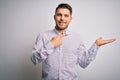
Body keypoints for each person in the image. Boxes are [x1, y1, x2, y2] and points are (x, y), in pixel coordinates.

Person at [31, 3, 116, 80]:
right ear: (54, 17)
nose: (62, 18)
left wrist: (96, 46)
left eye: (66, 15)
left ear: (70, 19)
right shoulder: (43, 35)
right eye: (59, 15)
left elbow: (83, 63)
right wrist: (51, 44)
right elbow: (34, 59)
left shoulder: (77, 38)